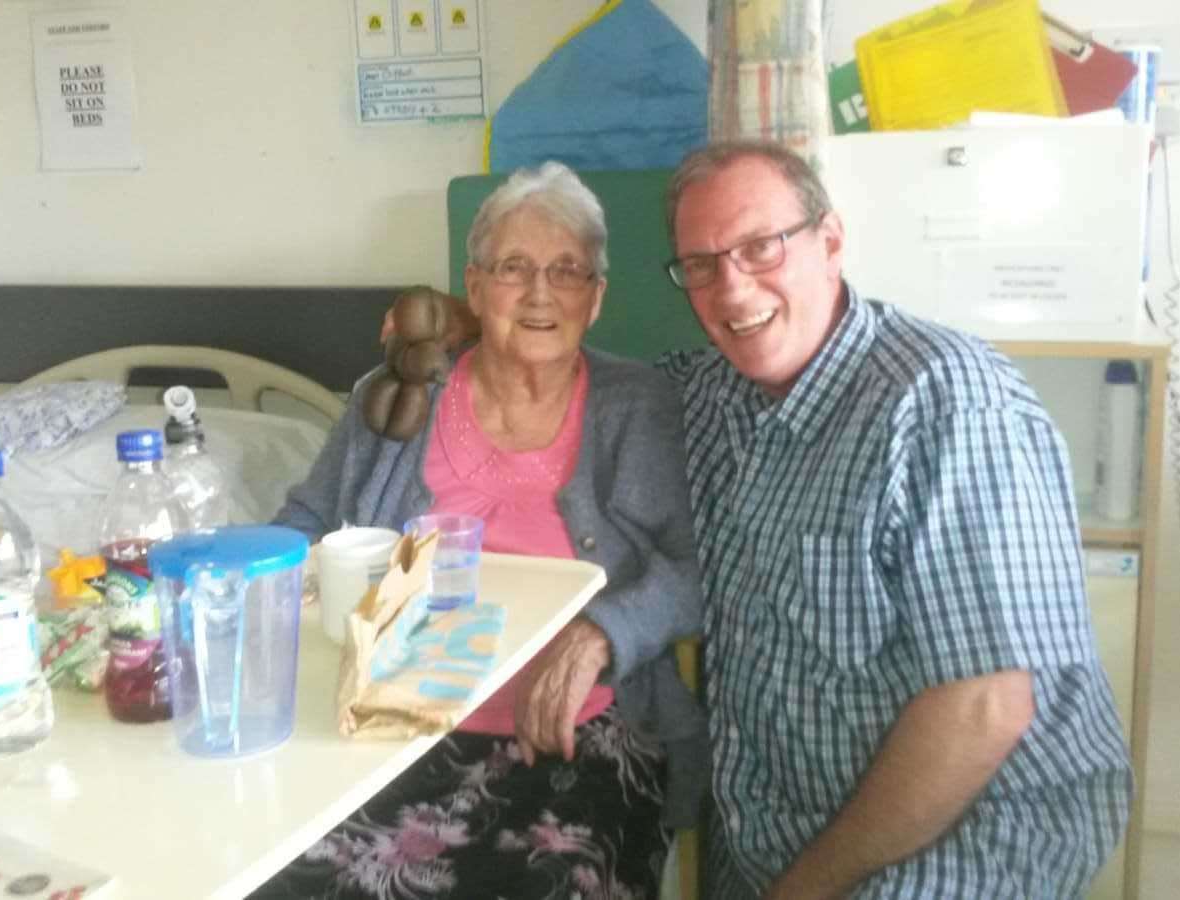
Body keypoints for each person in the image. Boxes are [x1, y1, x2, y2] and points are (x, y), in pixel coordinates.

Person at [399, 141, 1132, 899]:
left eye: (760, 247)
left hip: (964, 834)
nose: (733, 290)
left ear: (831, 241)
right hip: (775, 829)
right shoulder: (708, 392)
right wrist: (481, 316)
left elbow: (985, 709)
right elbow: (573, 372)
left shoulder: (948, 405)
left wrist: (800, 890)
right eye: (703, 265)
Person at [261, 160, 705, 900]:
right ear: (472, 289)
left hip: (577, 734)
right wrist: (236, 577)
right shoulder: (392, 397)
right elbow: (307, 523)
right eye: (513, 268)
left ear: (595, 299)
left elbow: (696, 566)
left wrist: (601, 635)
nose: (539, 293)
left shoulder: (638, 405)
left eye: (567, 271)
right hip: (392, 730)